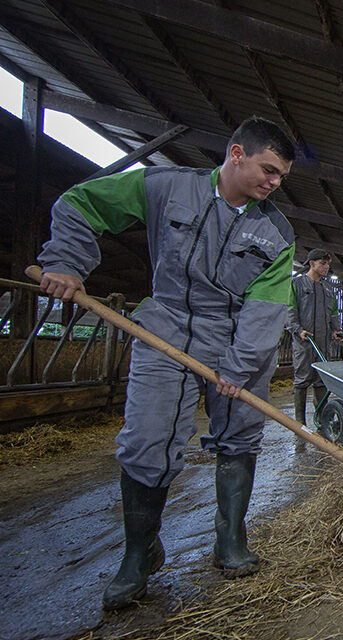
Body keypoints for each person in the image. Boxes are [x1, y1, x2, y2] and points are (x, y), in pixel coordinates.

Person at [36, 116, 297, 610]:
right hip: (165, 328)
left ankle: (230, 536)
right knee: (146, 438)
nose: (274, 182)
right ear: (236, 154)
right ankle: (139, 553)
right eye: (269, 170)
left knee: (241, 434)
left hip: (236, 338)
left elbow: (266, 309)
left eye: (281, 176)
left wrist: (239, 366)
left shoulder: (277, 232)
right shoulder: (165, 187)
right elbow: (80, 202)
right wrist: (66, 262)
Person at [285, 248, 343, 431]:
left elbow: (333, 312)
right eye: (323, 263)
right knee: (302, 379)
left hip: (324, 341)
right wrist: (297, 330)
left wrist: (336, 330)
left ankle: (322, 419)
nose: (326, 267)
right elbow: (290, 310)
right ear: (311, 263)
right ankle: (299, 422)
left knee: (321, 380)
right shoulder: (297, 284)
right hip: (304, 341)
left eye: (328, 264)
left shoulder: (328, 288)